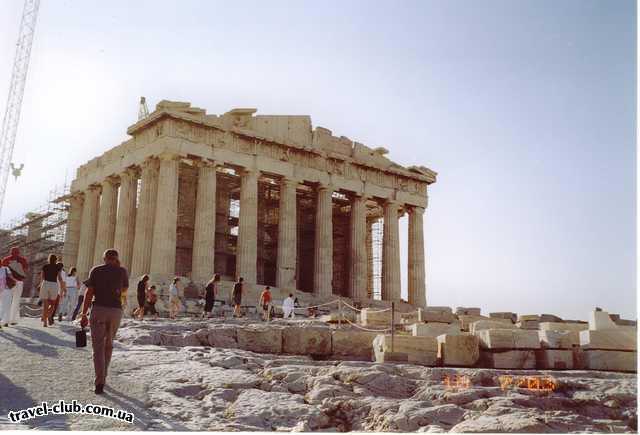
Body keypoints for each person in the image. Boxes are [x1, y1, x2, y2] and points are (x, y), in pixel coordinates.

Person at [80, 249, 129, 395]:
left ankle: (100, 381)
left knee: (98, 348)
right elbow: (125, 289)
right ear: (116, 258)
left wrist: (83, 313)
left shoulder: (96, 270)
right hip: (115, 311)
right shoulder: (122, 271)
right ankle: (103, 376)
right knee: (109, 345)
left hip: (99, 309)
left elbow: (89, 292)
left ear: (104, 258)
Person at [1, 247, 29, 325]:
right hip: (19, 282)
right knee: (16, 300)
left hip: (8, 283)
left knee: (7, 301)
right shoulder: (23, 260)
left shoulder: (6, 260)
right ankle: (12, 320)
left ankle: (5, 320)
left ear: (11, 252)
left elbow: (3, 271)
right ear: (18, 252)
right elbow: (26, 271)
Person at [40, 255, 64, 327]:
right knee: (53, 304)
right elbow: (59, 278)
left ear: (49, 259)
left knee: (45, 304)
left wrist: (40, 284)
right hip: (54, 284)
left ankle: (45, 322)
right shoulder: (58, 267)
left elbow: (42, 277)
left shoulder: (45, 266)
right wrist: (62, 286)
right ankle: (46, 316)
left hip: (45, 283)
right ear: (56, 260)